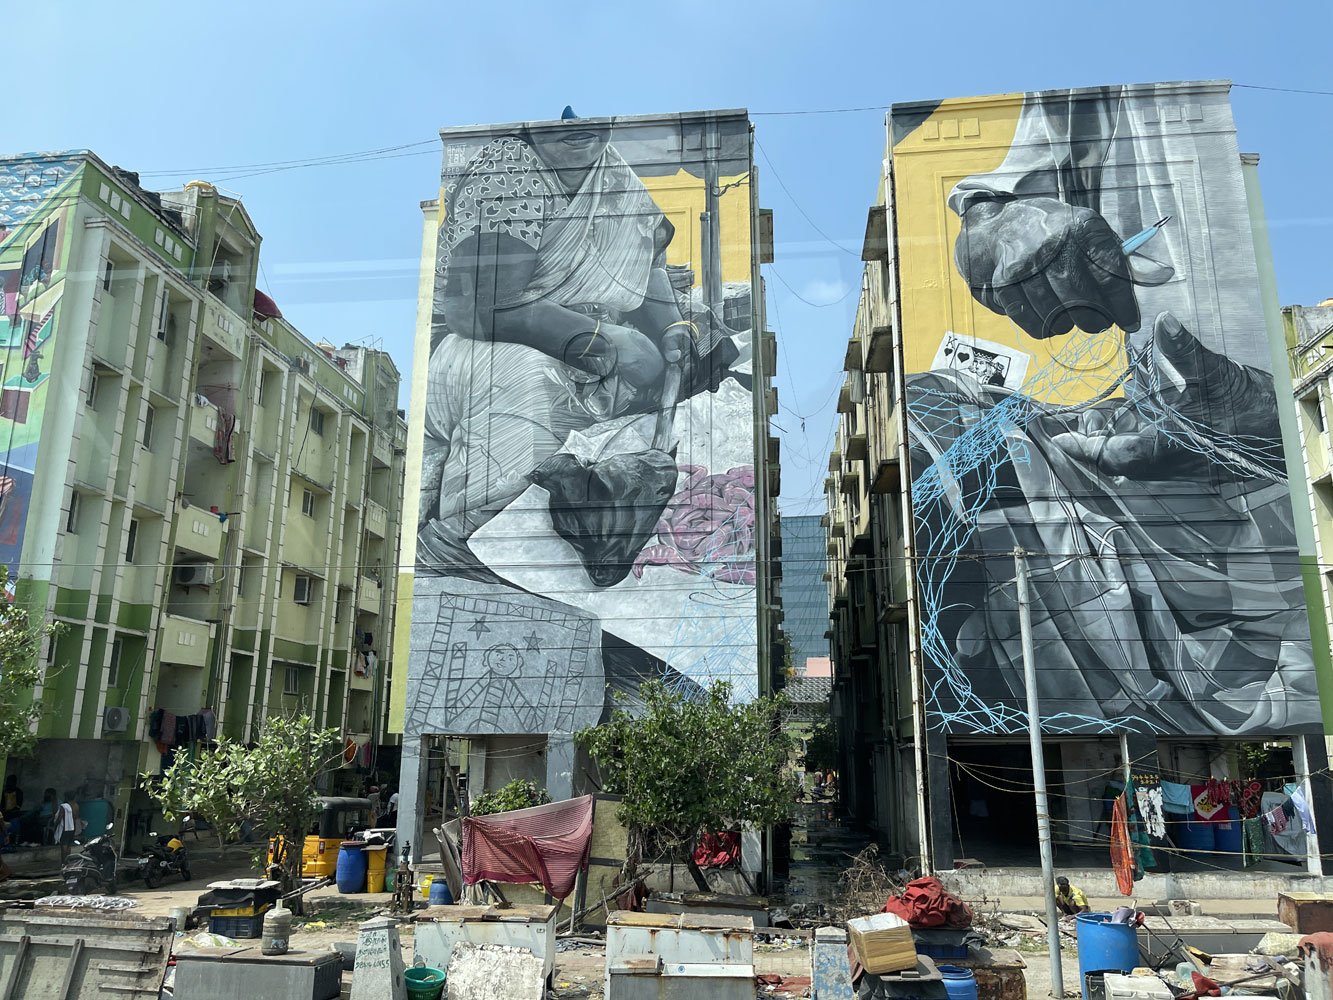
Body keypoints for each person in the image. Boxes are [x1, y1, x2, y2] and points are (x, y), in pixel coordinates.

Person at [909, 83, 1317, 735]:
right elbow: (1019, 174)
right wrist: (990, 215)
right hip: (1192, 470)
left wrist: (1270, 428)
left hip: (1248, 492)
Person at [417, 111, 743, 582]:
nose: (578, 134)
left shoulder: (613, 172)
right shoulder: (509, 165)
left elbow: (647, 261)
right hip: (482, 346)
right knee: (525, 383)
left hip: (594, 348)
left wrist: (670, 324)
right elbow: (481, 307)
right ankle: (471, 546)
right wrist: (605, 341)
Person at [53, 792, 76, 861]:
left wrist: (55, 825)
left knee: (64, 845)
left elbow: (59, 818)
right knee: (69, 845)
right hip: (73, 827)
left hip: (65, 828)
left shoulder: (63, 806)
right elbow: (75, 817)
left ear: (66, 797)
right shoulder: (76, 805)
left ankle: (64, 862)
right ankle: (68, 860)